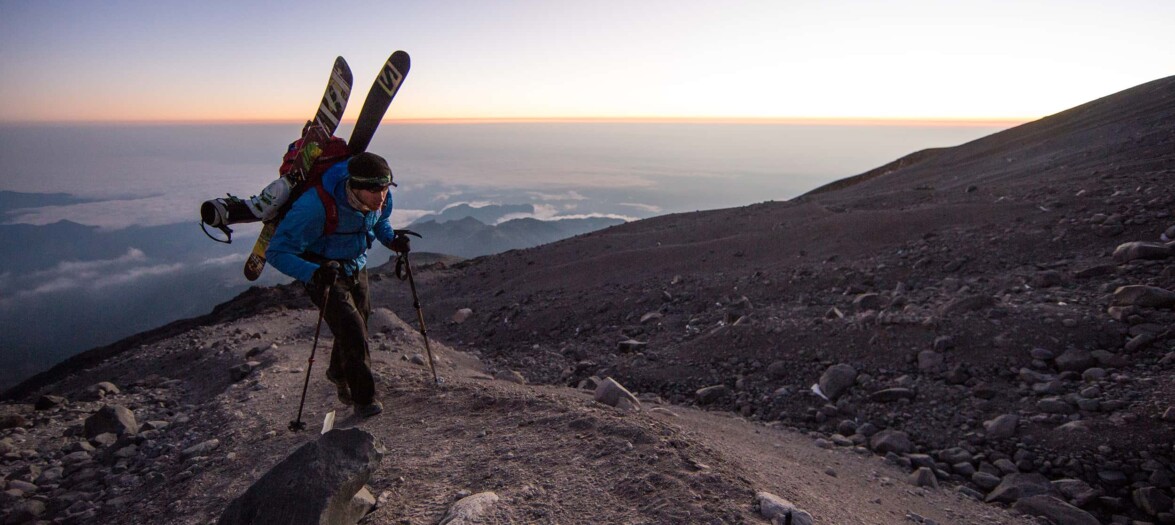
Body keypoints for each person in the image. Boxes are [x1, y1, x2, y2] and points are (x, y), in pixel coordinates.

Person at [266, 152, 411, 418]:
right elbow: (275, 252)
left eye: (385, 187)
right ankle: (363, 399)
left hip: (356, 264)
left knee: (359, 321)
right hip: (323, 272)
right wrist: (314, 272)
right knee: (354, 330)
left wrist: (392, 240)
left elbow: (379, 221)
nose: (381, 196)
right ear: (353, 185)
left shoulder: (380, 198)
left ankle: (337, 372)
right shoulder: (315, 207)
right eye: (373, 189)